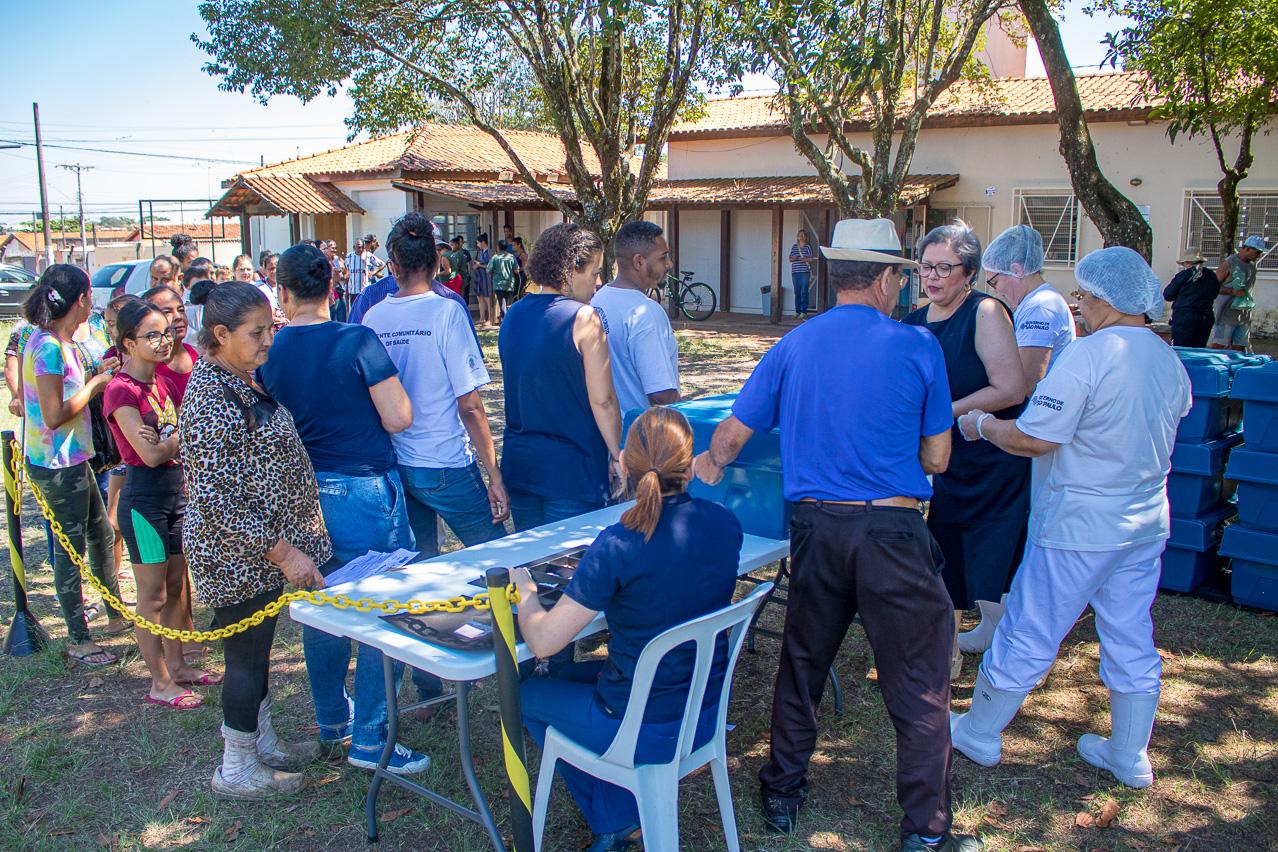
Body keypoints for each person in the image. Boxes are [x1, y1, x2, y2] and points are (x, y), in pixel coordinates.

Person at [694, 218, 977, 852]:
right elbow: (938, 457)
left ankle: (781, 792)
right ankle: (926, 830)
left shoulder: (794, 344)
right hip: (892, 530)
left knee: (803, 662)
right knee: (919, 681)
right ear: (885, 278)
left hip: (816, 528)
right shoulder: (917, 346)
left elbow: (730, 439)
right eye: (901, 276)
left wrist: (704, 466)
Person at [951, 247, 1192, 791]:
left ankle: (979, 732)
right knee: (1130, 631)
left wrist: (983, 426)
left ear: (1109, 300)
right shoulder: (1167, 359)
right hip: (1144, 522)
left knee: (1030, 625)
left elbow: (1035, 437)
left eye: (1083, 295)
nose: (1077, 305)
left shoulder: (1088, 355)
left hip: (1079, 523)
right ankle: (1128, 753)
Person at [517, 407, 743, 852]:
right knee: (566, 676)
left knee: (526, 694)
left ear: (624, 463)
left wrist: (525, 592)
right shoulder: (725, 524)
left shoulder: (618, 544)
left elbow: (543, 641)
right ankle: (617, 814)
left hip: (640, 726)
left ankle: (615, 817)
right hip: (703, 711)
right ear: (690, 464)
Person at [259, 242, 432, 773]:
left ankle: (333, 720)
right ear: (332, 287)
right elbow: (399, 416)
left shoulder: (269, 351)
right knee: (385, 605)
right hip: (362, 488)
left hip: (301, 493)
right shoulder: (357, 339)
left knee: (323, 604)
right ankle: (373, 737)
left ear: (283, 294)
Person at [180, 281, 329, 799]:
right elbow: (216, 498)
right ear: (221, 334)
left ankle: (261, 742)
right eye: (256, 332)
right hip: (235, 556)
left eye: (271, 329)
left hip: (256, 552)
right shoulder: (211, 395)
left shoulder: (235, 377)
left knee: (257, 652)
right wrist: (284, 553)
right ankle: (237, 766)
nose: (268, 340)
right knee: (244, 658)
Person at [903, 224, 1028, 680]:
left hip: (990, 458)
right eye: (925, 267)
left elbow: (1010, 388)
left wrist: (942, 413)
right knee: (945, 555)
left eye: (944, 268)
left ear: (969, 273)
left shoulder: (986, 311)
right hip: (943, 457)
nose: (932, 277)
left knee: (992, 561)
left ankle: (1015, 654)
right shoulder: (913, 323)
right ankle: (948, 655)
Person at [957, 225, 1077, 653]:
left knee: (1010, 536)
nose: (995, 290)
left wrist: (977, 411)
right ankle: (995, 624)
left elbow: (1022, 382)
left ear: (1017, 268)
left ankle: (1014, 635)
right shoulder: (1035, 304)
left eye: (995, 280)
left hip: (1027, 436)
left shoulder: (1041, 307)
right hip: (1022, 434)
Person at [361, 212, 509, 555]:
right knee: (498, 555)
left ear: (393, 267)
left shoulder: (372, 317)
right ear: (436, 262)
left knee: (423, 563)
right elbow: (470, 405)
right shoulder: (446, 312)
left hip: (398, 462)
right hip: (445, 461)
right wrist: (494, 474)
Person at [104, 299, 218, 708]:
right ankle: (159, 682)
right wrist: (175, 440)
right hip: (144, 501)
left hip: (177, 495)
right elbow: (150, 454)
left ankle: (178, 666)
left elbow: (184, 433)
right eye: (151, 335)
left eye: (166, 332)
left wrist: (171, 440)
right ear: (128, 343)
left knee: (175, 587)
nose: (164, 341)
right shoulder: (121, 389)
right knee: (151, 596)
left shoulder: (162, 383)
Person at [19, 265, 125, 667]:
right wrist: (96, 386)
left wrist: (96, 375)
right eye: (89, 296)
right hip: (56, 464)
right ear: (80, 300)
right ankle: (79, 639)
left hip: (75, 458)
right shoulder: (47, 347)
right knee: (71, 549)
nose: (92, 303)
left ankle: (115, 612)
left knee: (101, 534)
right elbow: (53, 415)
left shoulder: (61, 343)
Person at [499, 222, 623, 531]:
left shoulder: (513, 314)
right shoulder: (585, 318)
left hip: (522, 464)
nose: (598, 283)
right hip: (572, 469)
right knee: (572, 559)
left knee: (534, 559)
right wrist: (616, 454)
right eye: (594, 272)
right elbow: (604, 400)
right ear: (570, 270)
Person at [590, 220, 679, 414]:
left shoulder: (598, 300)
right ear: (639, 261)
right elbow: (661, 394)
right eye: (663, 257)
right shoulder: (646, 312)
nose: (669, 264)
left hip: (607, 427)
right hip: (642, 429)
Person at [1209, 234, 1268, 352]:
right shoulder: (1229, 263)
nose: (1258, 256)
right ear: (1248, 249)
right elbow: (1212, 287)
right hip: (1226, 315)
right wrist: (1231, 291)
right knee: (1219, 347)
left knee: (1239, 349)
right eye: (1257, 252)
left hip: (1244, 315)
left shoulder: (1252, 267)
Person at [1161, 249, 1216, 347]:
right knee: (1198, 350)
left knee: (1181, 349)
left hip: (1184, 318)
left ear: (1187, 262)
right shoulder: (1211, 276)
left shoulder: (1184, 275)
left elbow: (1168, 294)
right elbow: (1215, 293)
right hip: (1205, 317)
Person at [488, 240, 519, 322]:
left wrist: (493, 275)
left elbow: (488, 270)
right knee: (507, 304)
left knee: (502, 304)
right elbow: (517, 270)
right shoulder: (511, 257)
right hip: (510, 283)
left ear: (498, 247)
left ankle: (505, 322)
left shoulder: (495, 257)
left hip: (498, 284)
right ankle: (503, 321)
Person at [788, 229, 815, 317]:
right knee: (797, 292)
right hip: (795, 272)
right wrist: (795, 258)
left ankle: (803, 311)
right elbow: (790, 259)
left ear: (805, 237)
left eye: (803, 235)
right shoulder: (794, 247)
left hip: (804, 272)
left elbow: (810, 259)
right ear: (797, 237)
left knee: (804, 291)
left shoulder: (807, 247)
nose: (801, 237)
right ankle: (797, 311)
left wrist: (801, 259)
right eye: (800, 235)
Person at [473, 234, 494, 326]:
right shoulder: (480, 252)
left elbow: (490, 266)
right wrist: (476, 265)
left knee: (487, 298)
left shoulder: (489, 252)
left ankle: (490, 318)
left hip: (486, 277)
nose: (477, 245)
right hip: (479, 277)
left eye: (478, 243)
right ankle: (482, 318)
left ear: (483, 242)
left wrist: (479, 265)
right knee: (480, 297)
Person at [446, 235, 473, 305]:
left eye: (452, 245)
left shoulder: (463, 253)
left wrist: (468, 274)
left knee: (463, 295)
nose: (451, 246)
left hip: (461, 277)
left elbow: (467, 265)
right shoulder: (452, 253)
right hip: (456, 278)